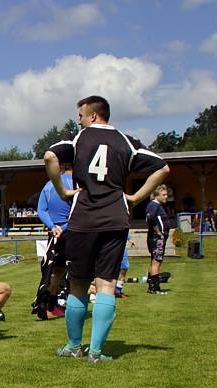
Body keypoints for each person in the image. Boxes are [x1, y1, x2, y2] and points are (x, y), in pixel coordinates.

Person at [44, 95, 169, 363]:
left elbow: (49, 157)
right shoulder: (126, 142)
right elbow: (163, 168)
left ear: (93, 116)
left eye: (80, 117)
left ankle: (74, 346)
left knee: (77, 284)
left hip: (82, 219)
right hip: (114, 219)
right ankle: (97, 352)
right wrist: (135, 197)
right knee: (107, 284)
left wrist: (63, 190)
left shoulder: (79, 140)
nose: (78, 122)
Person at [32, 166, 74, 320]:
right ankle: (70, 305)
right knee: (76, 270)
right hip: (71, 231)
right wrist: (63, 227)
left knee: (56, 270)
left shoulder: (49, 185)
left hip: (54, 233)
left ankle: (49, 304)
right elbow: (80, 211)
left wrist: (52, 226)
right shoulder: (77, 185)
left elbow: (41, 210)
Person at [145, 185, 170, 294]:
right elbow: (150, 217)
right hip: (156, 238)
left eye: (166, 194)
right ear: (156, 196)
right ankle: (154, 288)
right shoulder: (154, 205)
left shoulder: (157, 206)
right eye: (163, 195)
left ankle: (152, 286)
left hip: (157, 238)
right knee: (156, 262)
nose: (166, 197)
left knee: (155, 261)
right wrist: (159, 233)